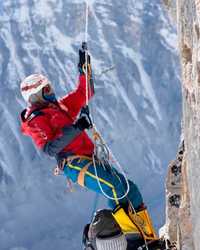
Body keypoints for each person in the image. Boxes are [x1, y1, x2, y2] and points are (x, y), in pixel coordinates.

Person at [20, 47, 144, 212]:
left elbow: (85, 93)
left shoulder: (59, 108)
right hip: (73, 163)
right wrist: (76, 127)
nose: (52, 92)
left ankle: (145, 233)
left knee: (130, 189)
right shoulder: (36, 120)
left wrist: (84, 70)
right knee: (116, 188)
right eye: (46, 89)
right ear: (35, 96)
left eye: (50, 87)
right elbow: (49, 148)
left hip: (89, 158)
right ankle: (131, 235)